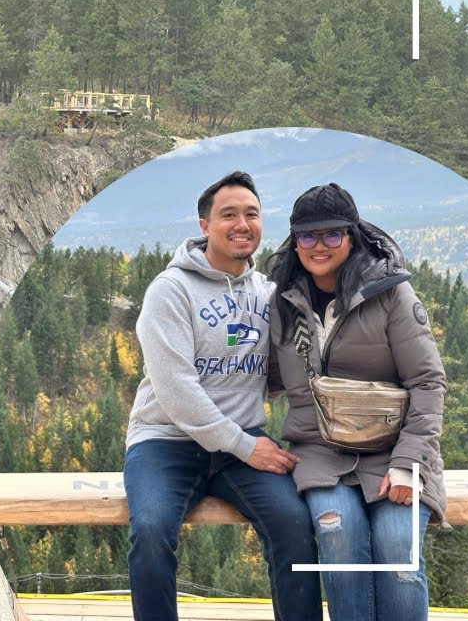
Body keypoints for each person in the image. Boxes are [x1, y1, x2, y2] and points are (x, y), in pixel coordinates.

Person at [124, 171, 321, 621]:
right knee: (151, 531)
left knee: (294, 525)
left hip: (241, 444)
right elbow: (176, 389)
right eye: (227, 214)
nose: (241, 224)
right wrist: (245, 445)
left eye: (251, 214)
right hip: (166, 441)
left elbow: (284, 372)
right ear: (203, 225)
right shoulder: (170, 291)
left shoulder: (269, 294)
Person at [267, 183, 446, 621]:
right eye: (307, 236)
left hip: (396, 451)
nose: (319, 246)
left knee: (397, 550)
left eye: (332, 234)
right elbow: (257, 378)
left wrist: (409, 464)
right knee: (338, 537)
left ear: (353, 236)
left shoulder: (391, 295)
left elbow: (427, 381)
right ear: (294, 242)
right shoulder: (283, 302)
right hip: (320, 453)